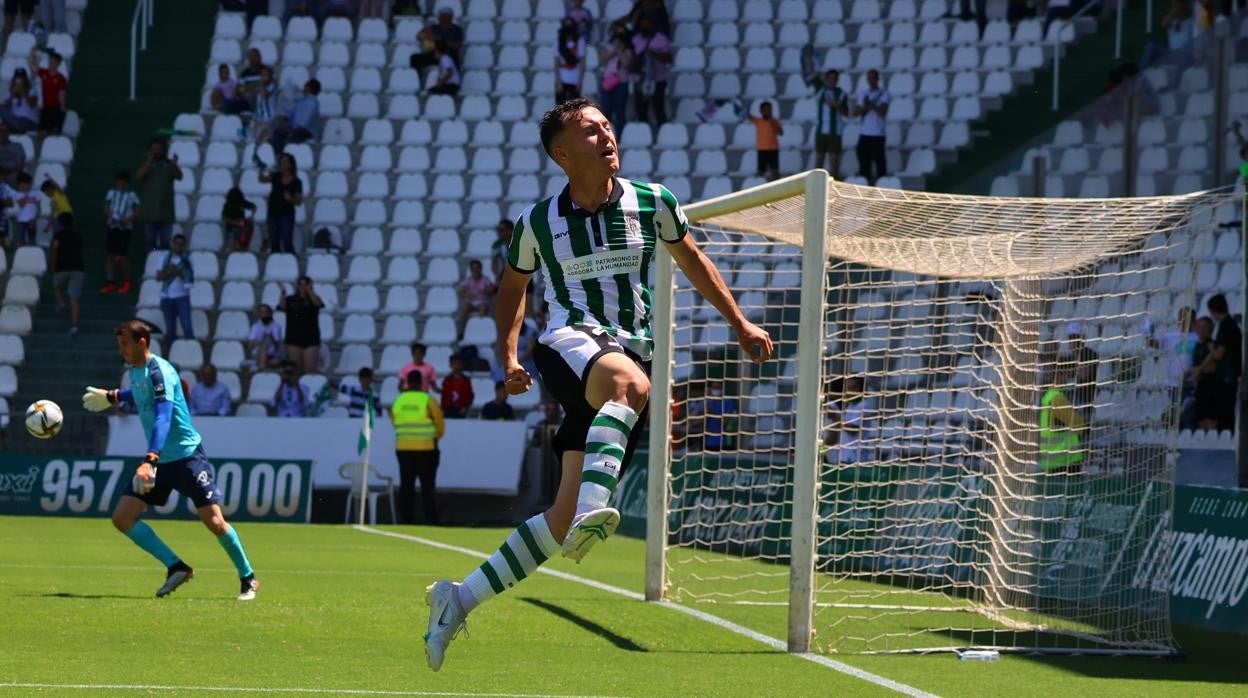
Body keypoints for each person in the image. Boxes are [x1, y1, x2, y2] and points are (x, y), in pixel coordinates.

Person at [422, 97, 773, 670]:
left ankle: (456, 600)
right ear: (562, 152)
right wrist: (510, 356)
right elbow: (511, 291)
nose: (607, 134)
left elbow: (693, 261)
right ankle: (595, 507)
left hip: (632, 354)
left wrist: (738, 321)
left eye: (608, 125)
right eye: (591, 129)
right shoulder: (537, 222)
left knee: (559, 524)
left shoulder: (654, 202)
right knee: (630, 388)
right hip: (569, 343)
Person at [83, 320, 259, 601]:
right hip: (161, 462)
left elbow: (164, 417)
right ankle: (177, 567)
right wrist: (114, 396)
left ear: (142, 342)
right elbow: (140, 394)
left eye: (125, 344)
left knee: (214, 521)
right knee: (122, 518)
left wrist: (150, 459)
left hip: (187, 458)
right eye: (119, 345)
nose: (121, 350)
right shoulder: (137, 372)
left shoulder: (160, 372)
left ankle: (248, 577)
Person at [392, 374, 446, 525]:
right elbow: (440, 425)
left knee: (406, 485)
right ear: (422, 383)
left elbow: (395, 421)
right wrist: (433, 438)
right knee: (427, 486)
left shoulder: (399, 400)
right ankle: (431, 520)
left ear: (407, 383)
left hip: (403, 448)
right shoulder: (428, 400)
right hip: (426, 448)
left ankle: (406, 520)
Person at [1192, 294, 1242, 431]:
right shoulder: (1227, 325)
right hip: (1226, 376)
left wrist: (1211, 348)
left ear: (1213, 310)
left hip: (1228, 375)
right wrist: (1200, 369)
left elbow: (1218, 354)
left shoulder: (1226, 326)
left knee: (1225, 412)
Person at [136, 138, 183, 251]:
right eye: (153, 149)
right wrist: (148, 163)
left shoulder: (168, 165)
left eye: (158, 149)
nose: (156, 151)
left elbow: (179, 177)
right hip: (150, 213)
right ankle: (150, 266)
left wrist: (174, 165)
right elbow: (138, 176)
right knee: (150, 242)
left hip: (166, 213)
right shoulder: (146, 165)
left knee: (166, 243)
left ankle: (162, 267)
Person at [1037, 362, 1084, 472]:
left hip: (1050, 460)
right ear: (1058, 376)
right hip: (1064, 460)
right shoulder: (1057, 398)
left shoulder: (1047, 397)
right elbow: (1079, 425)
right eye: (1066, 375)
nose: (1067, 379)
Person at [821, 376, 878, 464]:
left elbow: (852, 430)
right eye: (848, 388)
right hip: (845, 456)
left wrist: (834, 416)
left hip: (856, 458)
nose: (850, 392)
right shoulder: (850, 406)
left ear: (862, 389)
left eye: (853, 388)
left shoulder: (863, 406)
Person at [630, 17, 672, 127]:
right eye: (643, 25)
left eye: (647, 25)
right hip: (640, 79)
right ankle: (643, 134)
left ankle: (663, 132)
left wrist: (655, 54)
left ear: (653, 26)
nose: (645, 27)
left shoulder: (661, 38)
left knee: (658, 108)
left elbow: (668, 58)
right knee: (640, 109)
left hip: (658, 79)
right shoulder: (636, 39)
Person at [102, 170, 140, 294]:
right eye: (119, 182)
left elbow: (137, 211)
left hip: (125, 228)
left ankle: (127, 282)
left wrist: (128, 219)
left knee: (122, 256)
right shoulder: (111, 193)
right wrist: (111, 216)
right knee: (110, 255)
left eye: (123, 182)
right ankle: (110, 282)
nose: (121, 184)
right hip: (113, 226)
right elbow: (106, 208)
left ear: (127, 183)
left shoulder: (132, 195)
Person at [277, 277, 323, 374]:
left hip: (311, 337)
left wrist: (309, 291)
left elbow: (318, 304)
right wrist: (283, 292)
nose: (303, 287)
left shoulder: (314, 299)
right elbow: (282, 306)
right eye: (300, 284)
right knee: (296, 368)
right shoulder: (290, 299)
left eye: (305, 284)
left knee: (310, 369)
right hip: (294, 337)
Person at [259, 152, 303, 254]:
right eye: (281, 162)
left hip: (286, 214)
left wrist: (290, 199)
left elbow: (299, 201)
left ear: (290, 165)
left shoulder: (297, 182)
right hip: (272, 212)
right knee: (274, 242)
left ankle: (292, 264)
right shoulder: (276, 176)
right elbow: (262, 179)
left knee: (287, 242)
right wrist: (261, 169)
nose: (282, 165)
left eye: (285, 162)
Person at [853, 69, 890, 185]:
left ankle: (882, 185)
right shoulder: (863, 94)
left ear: (877, 79)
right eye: (869, 78)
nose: (871, 80)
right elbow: (855, 113)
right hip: (864, 134)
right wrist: (864, 106)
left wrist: (872, 105)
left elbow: (883, 111)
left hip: (878, 134)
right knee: (864, 163)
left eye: (873, 77)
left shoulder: (884, 94)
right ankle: (865, 185)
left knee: (880, 163)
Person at [49, 212, 83, 336]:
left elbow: (55, 248)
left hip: (61, 267)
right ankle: (74, 326)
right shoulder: (78, 235)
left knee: (56, 286)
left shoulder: (58, 235)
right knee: (74, 299)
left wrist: (53, 263)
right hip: (78, 268)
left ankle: (60, 302)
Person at [812, 69, 850, 177]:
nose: (832, 81)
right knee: (819, 158)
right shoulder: (820, 91)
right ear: (826, 79)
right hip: (821, 129)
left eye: (834, 79)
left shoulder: (841, 94)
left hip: (835, 130)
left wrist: (837, 105)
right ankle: (817, 183)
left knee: (833, 160)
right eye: (830, 78)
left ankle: (833, 183)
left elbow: (846, 113)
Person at [156, 234, 195, 342]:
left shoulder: (188, 259)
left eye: (181, 244)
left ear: (184, 246)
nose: (178, 246)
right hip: (167, 298)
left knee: (187, 327)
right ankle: (171, 354)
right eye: (176, 243)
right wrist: (170, 271)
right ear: (172, 243)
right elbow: (158, 277)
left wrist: (178, 271)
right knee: (170, 330)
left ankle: (192, 353)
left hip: (182, 297)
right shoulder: (164, 257)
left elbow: (189, 279)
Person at [270, 79, 321, 154]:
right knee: (277, 132)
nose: (303, 89)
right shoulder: (300, 100)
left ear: (309, 88)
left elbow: (305, 122)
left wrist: (291, 128)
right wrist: (285, 120)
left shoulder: (313, 102)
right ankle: (279, 157)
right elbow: (290, 114)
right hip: (294, 128)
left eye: (305, 87)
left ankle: (288, 156)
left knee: (292, 137)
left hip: (305, 131)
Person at [597, 30, 633, 134]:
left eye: (619, 41)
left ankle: (620, 135)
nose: (617, 43)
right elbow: (602, 58)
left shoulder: (627, 51)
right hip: (608, 83)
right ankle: (606, 134)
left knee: (619, 111)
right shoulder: (609, 49)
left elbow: (626, 64)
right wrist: (613, 51)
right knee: (606, 110)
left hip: (621, 83)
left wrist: (620, 52)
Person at [409, 7, 464, 71]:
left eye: (444, 16)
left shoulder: (457, 30)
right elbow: (419, 36)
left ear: (450, 17)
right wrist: (426, 32)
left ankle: (453, 77)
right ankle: (417, 77)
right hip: (435, 55)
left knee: (452, 55)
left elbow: (457, 46)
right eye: (441, 16)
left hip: (449, 55)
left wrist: (439, 39)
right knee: (414, 58)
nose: (441, 18)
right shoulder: (434, 28)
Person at [690, 379, 738, 451]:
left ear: (722, 389)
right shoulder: (709, 402)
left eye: (718, 388)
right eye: (714, 388)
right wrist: (691, 424)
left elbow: (725, 421)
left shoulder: (728, 402)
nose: (715, 390)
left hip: (725, 442)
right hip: (709, 442)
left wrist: (711, 412)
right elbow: (702, 419)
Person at [29, 47, 67, 136]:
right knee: (42, 133)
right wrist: (32, 52)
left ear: (58, 63)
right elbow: (31, 65)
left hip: (55, 108)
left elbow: (61, 93)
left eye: (53, 62)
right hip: (45, 108)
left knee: (54, 133)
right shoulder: (44, 73)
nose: (50, 63)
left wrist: (62, 106)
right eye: (50, 61)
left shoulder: (61, 78)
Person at [456, 259, 495, 341]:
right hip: (472, 303)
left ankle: (481, 331)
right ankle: (462, 332)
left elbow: (492, 290)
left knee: (482, 309)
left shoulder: (485, 279)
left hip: (483, 302)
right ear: (471, 270)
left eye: (477, 268)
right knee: (465, 308)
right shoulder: (468, 280)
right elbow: (460, 293)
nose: (475, 270)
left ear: (480, 269)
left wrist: (488, 290)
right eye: (473, 269)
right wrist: (466, 295)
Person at [554, 18, 587, 104]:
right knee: (559, 110)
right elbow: (556, 63)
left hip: (575, 79)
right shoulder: (558, 42)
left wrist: (579, 82)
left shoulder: (580, 41)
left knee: (574, 110)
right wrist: (558, 81)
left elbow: (582, 63)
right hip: (562, 79)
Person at [749, 101, 784, 181]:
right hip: (762, 149)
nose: (767, 112)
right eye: (765, 110)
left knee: (775, 171)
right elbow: (747, 116)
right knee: (760, 171)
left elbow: (781, 132)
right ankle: (759, 186)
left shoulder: (775, 121)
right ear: (761, 111)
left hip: (773, 149)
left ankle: (776, 186)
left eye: (769, 110)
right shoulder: (758, 121)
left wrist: (772, 122)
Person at [248, 303, 283, 370]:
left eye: (266, 312)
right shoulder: (255, 327)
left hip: (272, 356)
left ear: (270, 313)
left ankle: (261, 367)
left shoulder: (276, 327)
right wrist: (262, 339)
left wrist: (271, 337)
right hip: (258, 355)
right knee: (263, 348)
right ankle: (262, 367)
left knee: (275, 361)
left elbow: (278, 347)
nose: (264, 315)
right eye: (262, 312)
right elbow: (250, 345)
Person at [221, 186, 257, 252]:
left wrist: (251, 217)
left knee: (242, 239)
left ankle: (240, 249)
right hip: (231, 227)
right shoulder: (228, 205)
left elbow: (254, 207)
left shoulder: (241, 203)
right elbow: (224, 218)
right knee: (232, 241)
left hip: (241, 228)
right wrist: (235, 222)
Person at [440, 354, 473, 418]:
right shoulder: (447, 380)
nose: (456, 366)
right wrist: (443, 409)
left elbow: (469, 396)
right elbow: (444, 396)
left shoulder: (466, 380)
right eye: (454, 364)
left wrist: (465, 407)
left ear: (462, 365)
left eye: (459, 364)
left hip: (461, 409)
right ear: (450, 365)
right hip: (449, 409)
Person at [13, 171, 36, 245]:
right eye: (21, 184)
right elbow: (21, 205)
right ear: (19, 185)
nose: (23, 186)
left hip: (31, 220)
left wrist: (34, 218)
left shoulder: (34, 194)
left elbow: (37, 208)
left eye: (25, 184)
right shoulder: (17, 194)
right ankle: (22, 251)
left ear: (29, 184)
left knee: (31, 238)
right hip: (21, 220)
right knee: (21, 238)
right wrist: (26, 195)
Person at [0, 122, 25, 187]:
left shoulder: (17, 147)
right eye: (1, 131)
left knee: (15, 177)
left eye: (5, 131)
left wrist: (6, 169)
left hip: (12, 173)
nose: (3, 134)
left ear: (9, 133)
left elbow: (20, 166)